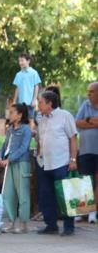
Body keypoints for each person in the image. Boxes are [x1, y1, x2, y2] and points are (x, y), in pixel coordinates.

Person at [36, 90, 78, 236]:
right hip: (44, 164)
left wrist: (73, 159)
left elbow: (73, 138)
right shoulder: (41, 119)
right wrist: (38, 154)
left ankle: (69, 227)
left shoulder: (65, 116)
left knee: (65, 195)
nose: (38, 105)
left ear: (49, 103)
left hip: (61, 163)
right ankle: (51, 225)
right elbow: (40, 140)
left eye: (40, 102)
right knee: (46, 196)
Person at [0, 104, 33, 233]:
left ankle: (23, 224)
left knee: (23, 194)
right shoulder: (10, 130)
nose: (9, 115)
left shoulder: (26, 129)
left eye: (12, 112)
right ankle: (11, 222)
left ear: (20, 115)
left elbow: (24, 148)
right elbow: (4, 145)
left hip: (21, 164)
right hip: (9, 164)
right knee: (8, 194)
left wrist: (9, 159)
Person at [76, 82, 98, 224]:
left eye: (91, 91)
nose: (88, 94)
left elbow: (84, 122)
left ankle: (92, 212)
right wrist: (93, 121)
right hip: (85, 149)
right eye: (87, 91)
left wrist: (87, 121)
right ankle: (83, 210)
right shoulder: (85, 104)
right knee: (85, 181)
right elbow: (77, 122)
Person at [12, 53, 42, 121]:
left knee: (30, 120)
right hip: (21, 103)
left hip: (30, 102)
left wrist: (34, 100)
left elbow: (36, 87)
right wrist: (14, 100)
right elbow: (17, 88)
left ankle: (30, 131)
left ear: (28, 61)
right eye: (19, 61)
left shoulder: (34, 73)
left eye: (22, 60)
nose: (20, 63)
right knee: (22, 120)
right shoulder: (18, 74)